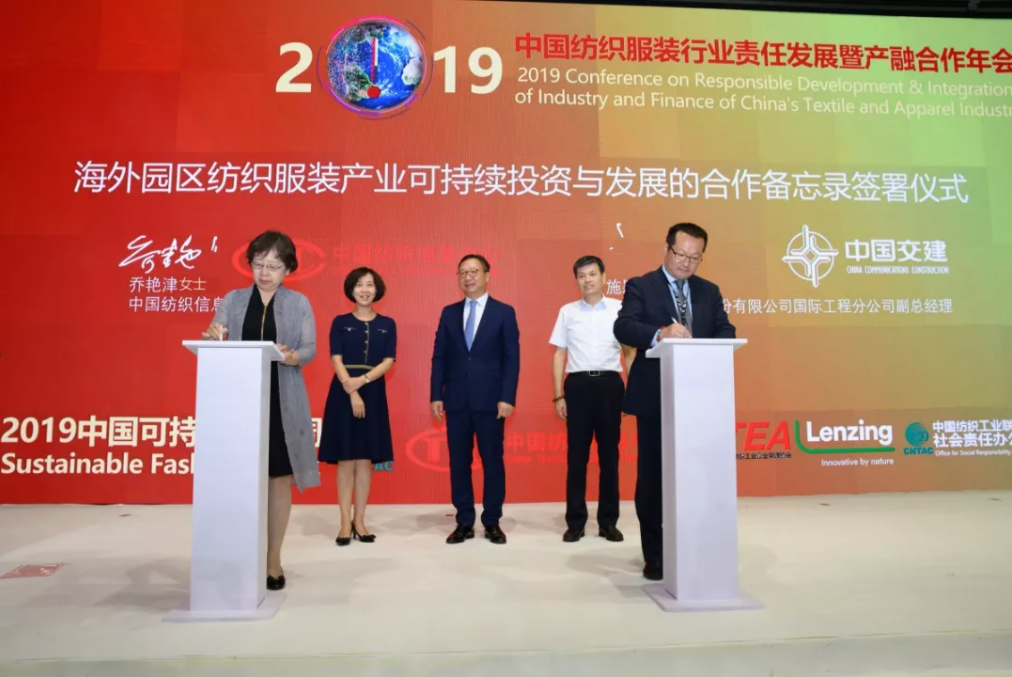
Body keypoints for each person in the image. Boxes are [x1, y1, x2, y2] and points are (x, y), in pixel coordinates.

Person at [614, 223, 736, 581]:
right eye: (681, 254)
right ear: (666, 249)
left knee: (697, 477)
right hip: (656, 397)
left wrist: (705, 342)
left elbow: (725, 329)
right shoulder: (641, 285)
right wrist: (659, 333)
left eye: (695, 258)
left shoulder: (709, 291)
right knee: (654, 478)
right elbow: (623, 327)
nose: (686, 262)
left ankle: (695, 547)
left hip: (699, 397)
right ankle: (655, 554)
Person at [201, 230, 320, 591]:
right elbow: (216, 335)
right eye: (258, 264)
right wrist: (212, 336)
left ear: (288, 269)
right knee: (240, 478)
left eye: (273, 266)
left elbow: (309, 349)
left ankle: (272, 560)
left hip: (282, 401)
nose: (264, 272)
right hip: (240, 402)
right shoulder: (234, 300)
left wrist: (291, 356)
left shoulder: (299, 303)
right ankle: (240, 555)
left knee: (278, 480)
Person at [430, 254, 520, 545]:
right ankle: (464, 521)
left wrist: (507, 397)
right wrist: (436, 394)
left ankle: (492, 521)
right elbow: (439, 357)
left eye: (474, 271)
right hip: (456, 400)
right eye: (463, 272)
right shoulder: (449, 313)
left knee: (493, 462)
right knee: (459, 463)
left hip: (491, 402)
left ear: (487, 275)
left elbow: (512, 359)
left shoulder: (504, 312)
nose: (468, 277)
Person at [549, 255, 636, 544]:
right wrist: (558, 394)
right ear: (576, 280)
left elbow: (629, 352)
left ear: (603, 277)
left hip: (610, 385)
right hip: (577, 386)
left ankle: (608, 522)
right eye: (582, 275)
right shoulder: (568, 312)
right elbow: (559, 353)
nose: (587, 280)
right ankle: (575, 523)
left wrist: (632, 392)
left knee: (610, 457)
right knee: (577, 458)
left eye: (592, 274)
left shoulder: (619, 310)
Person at [319, 268, 396, 546]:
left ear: (377, 290)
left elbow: (388, 361)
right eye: (359, 285)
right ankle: (344, 521)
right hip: (343, 391)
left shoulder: (388, 324)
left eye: (370, 285)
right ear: (351, 290)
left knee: (365, 460)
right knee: (345, 460)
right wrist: (351, 390)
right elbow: (336, 358)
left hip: (373, 392)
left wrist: (362, 382)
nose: (365, 290)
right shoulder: (340, 322)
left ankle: (360, 520)